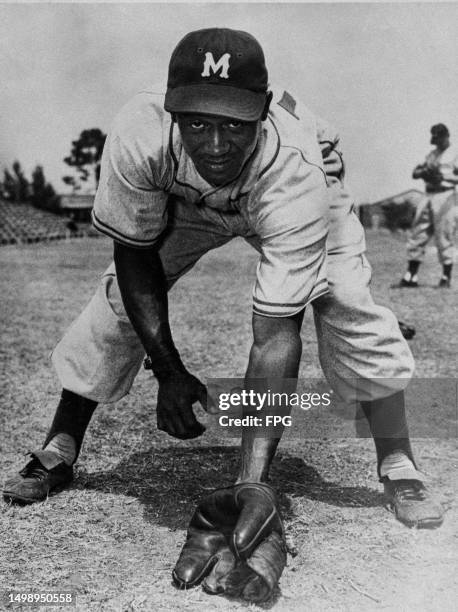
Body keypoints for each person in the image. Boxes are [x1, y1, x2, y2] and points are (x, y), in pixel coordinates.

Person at [3, 27, 444, 602]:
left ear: (262, 112)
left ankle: (398, 462)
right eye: (197, 122)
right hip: (191, 203)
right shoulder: (141, 133)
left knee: (347, 305)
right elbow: (134, 259)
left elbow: (275, 336)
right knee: (116, 301)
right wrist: (168, 371)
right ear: (171, 112)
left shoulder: (295, 168)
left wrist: (250, 488)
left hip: (291, 191)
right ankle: (60, 446)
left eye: (235, 124)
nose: (214, 144)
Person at [400, 123, 458, 288]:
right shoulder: (432, 154)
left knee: (443, 235)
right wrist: (423, 172)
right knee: (418, 232)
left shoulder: (454, 153)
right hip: (428, 193)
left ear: (445, 136)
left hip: (445, 195)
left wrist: (444, 177)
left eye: (438, 136)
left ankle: (446, 278)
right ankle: (411, 276)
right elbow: (415, 172)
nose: (435, 140)